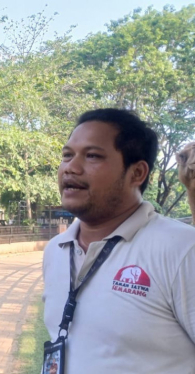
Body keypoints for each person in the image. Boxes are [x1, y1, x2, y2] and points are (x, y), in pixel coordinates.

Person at [42, 108, 195, 373]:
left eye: (92, 156)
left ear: (136, 173)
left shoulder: (183, 250)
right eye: (67, 155)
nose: (71, 167)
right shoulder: (56, 250)